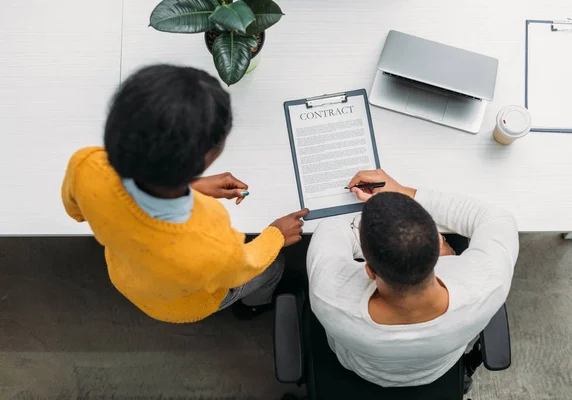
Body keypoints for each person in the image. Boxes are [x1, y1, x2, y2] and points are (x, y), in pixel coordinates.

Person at [61, 65, 308, 323]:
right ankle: (253, 306)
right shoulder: (207, 236)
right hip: (186, 304)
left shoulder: (86, 165)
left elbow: (76, 211)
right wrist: (276, 235)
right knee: (274, 267)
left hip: (124, 274)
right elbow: (240, 267)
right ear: (209, 155)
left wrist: (189, 186)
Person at [306, 169, 518, 387]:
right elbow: (496, 217)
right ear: (438, 243)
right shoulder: (488, 283)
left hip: (362, 367)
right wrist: (404, 192)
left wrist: (381, 232)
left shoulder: (328, 294)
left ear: (369, 270)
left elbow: (331, 229)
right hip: (435, 369)